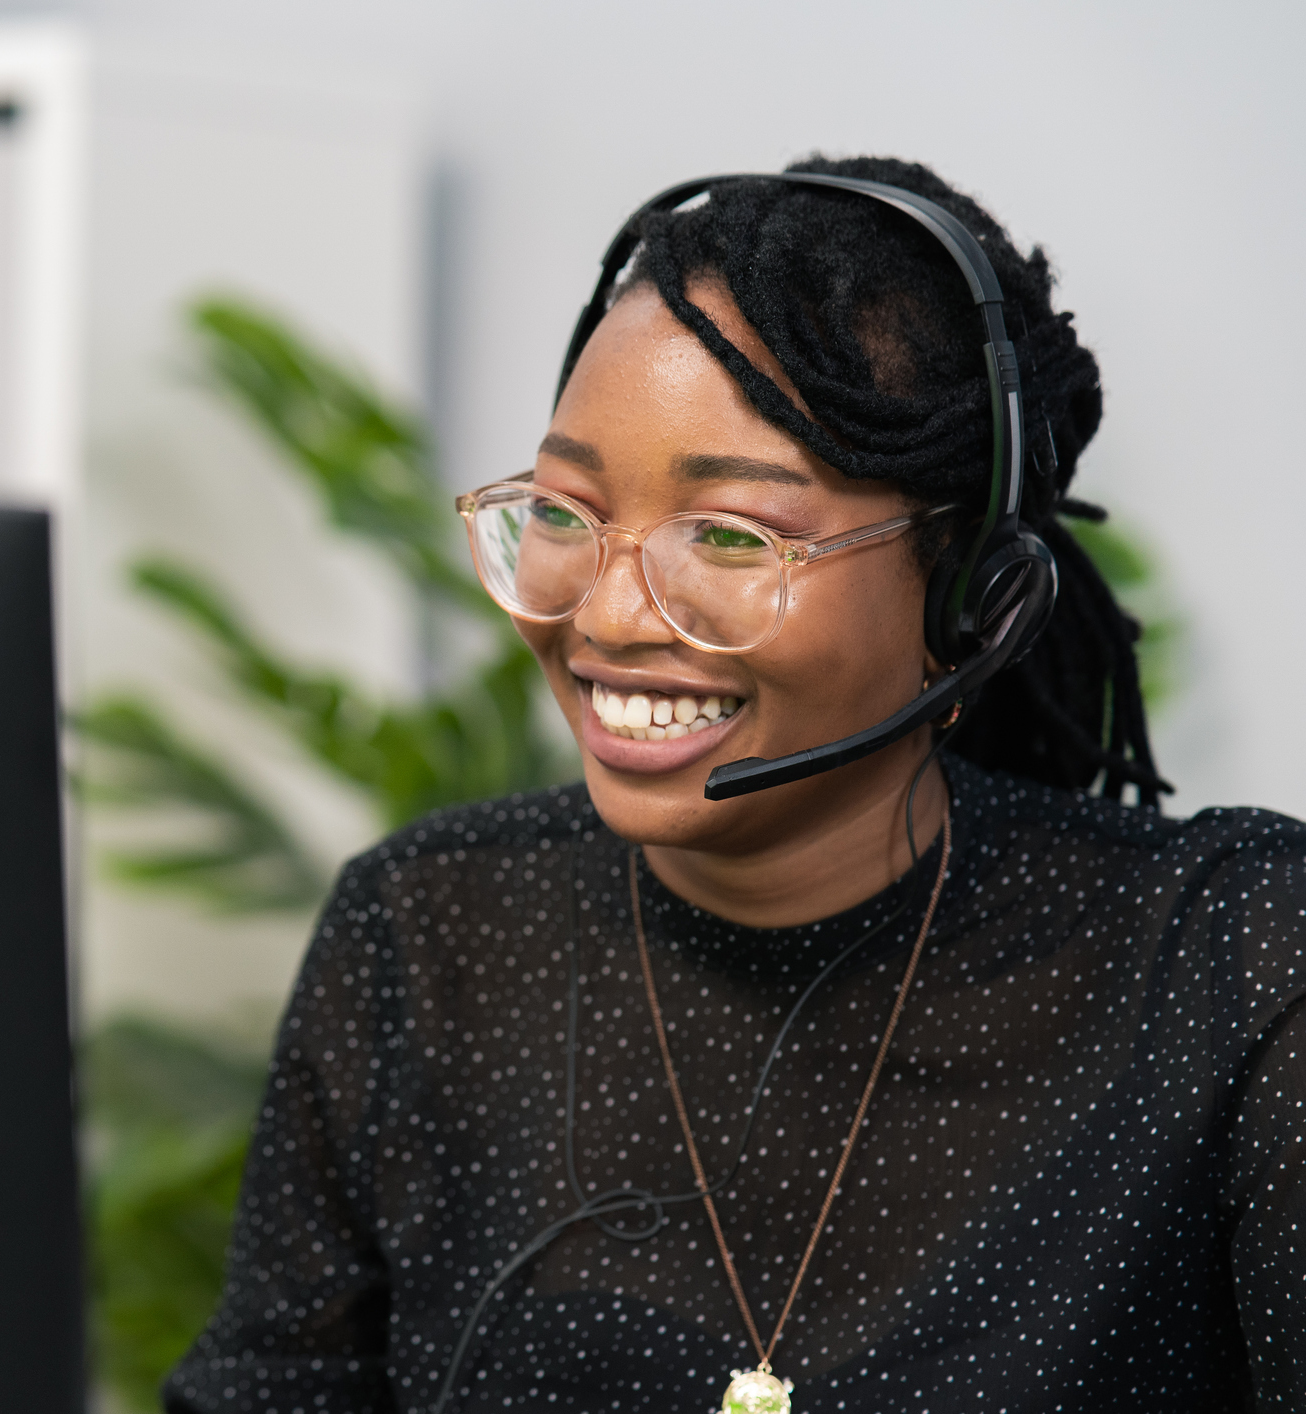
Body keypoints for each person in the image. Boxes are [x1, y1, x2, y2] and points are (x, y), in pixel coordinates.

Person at [162, 156, 1306, 1413]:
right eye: (562, 510)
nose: (603, 612)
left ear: (971, 597)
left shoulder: (1230, 968)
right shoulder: (429, 937)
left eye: (728, 536)